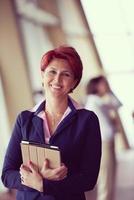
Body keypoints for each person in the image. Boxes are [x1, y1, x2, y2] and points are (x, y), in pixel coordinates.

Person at [1, 45, 101, 200]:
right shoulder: (24, 119)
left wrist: (43, 184)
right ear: (43, 75)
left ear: (74, 82)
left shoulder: (87, 120)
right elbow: (7, 174)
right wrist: (37, 180)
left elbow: (88, 179)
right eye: (52, 72)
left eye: (66, 74)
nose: (57, 80)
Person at [85, 76, 122, 200]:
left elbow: (117, 104)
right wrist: (109, 92)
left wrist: (109, 91)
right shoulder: (94, 101)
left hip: (108, 142)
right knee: (106, 179)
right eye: (103, 84)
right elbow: (116, 104)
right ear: (95, 86)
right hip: (103, 143)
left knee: (110, 177)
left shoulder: (99, 101)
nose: (106, 86)